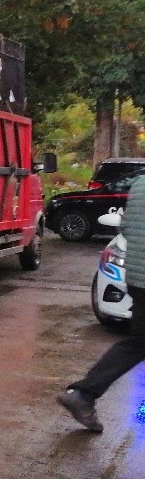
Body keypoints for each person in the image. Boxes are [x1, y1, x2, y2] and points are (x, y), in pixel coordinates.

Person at [57, 172, 145, 432]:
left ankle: (82, 396)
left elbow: (126, 228)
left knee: (137, 343)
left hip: (138, 279)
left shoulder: (141, 182)